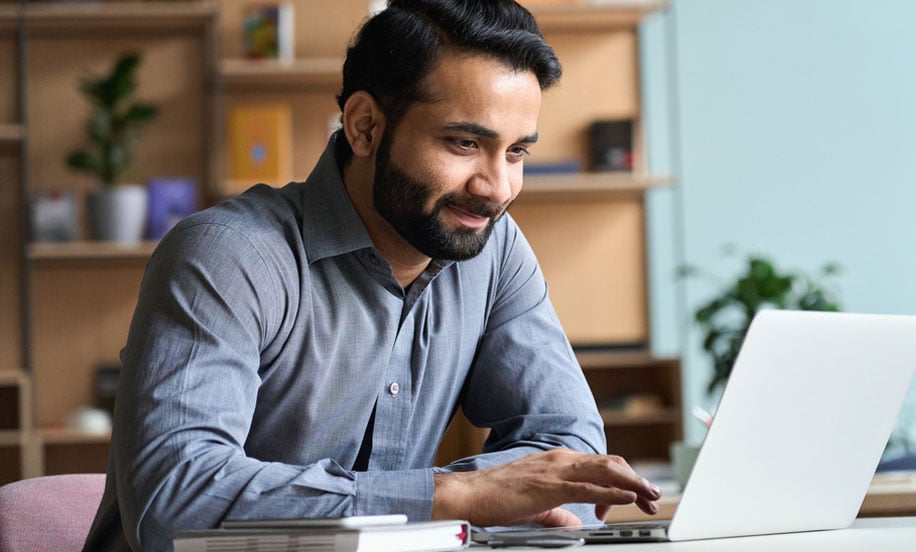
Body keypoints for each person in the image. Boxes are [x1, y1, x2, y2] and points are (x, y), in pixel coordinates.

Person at [83, 1, 661, 550]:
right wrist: (456, 496)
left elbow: (572, 453)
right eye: (465, 143)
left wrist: (476, 496)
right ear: (364, 127)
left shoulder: (494, 250)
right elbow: (174, 502)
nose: (496, 188)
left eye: (516, 153)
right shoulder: (229, 256)